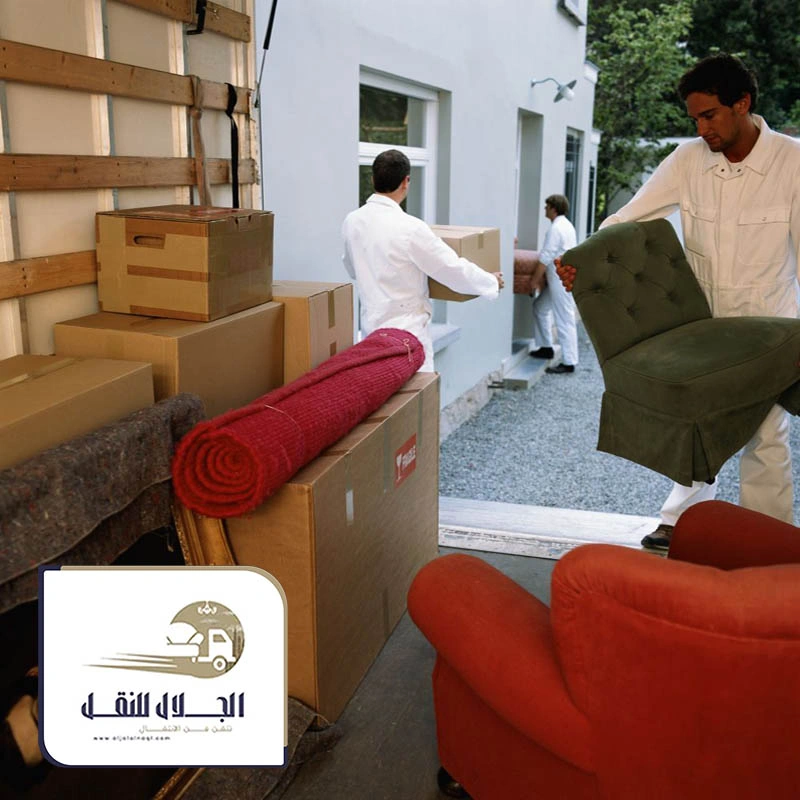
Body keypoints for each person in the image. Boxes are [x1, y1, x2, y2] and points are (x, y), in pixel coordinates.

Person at [557, 53, 800, 550]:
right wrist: (583, 261)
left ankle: (768, 542)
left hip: (770, 326)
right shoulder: (689, 160)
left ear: (742, 103)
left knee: (766, 435)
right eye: (694, 119)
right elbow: (628, 218)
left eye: (709, 115)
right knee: (698, 422)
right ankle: (681, 520)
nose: (701, 129)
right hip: (702, 325)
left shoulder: (793, 164)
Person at [342, 149, 504, 372]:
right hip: (408, 337)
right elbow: (451, 268)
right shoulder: (411, 228)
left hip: (370, 332)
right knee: (417, 393)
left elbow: (352, 268)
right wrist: (490, 281)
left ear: (373, 180)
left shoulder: (352, 221)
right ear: (406, 181)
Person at [529, 194, 579, 374]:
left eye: (547, 206)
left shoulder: (556, 229)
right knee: (540, 307)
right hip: (559, 277)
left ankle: (569, 361)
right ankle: (546, 347)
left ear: (553, 209)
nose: (545, 209)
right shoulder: (566, 225)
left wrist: (534, 280)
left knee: (564, 317)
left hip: (559, 278)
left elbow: (546, 256)